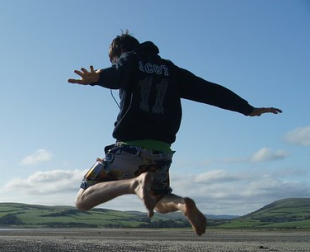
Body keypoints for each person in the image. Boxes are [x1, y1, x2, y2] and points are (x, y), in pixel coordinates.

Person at [68, 31, 282, 236]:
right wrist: (247, 108)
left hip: (130, 147)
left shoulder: (129, 60)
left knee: (82, 200)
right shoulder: (170, 69)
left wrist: (98, 77)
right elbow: (208, 90)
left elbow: (117, 75)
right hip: (161, 152)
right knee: (160, 200)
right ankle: (182, 204)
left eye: (114, 60)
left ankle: (134, 184)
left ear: (119, 54)